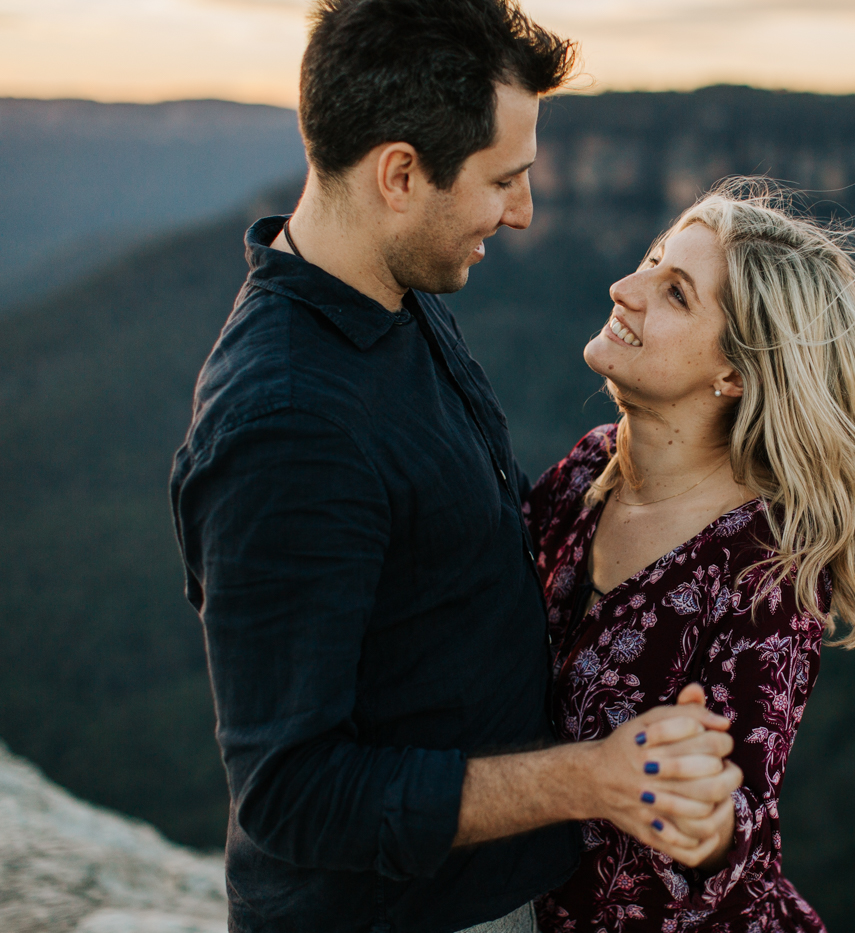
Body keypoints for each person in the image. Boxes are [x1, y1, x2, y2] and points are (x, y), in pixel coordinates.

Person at [169, 3, 740, 932]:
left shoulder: (391, 292)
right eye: (504, 179)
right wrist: (589, 778)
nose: (521, 213)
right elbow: (292, 794)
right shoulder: (287, 425)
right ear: (399, 174)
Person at [526, 181, 855, 931]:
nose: (623, 287)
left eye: (674, 292)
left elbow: (738, 809)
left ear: (733, 374)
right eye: (650, 259)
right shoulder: (586, 471)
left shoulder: (763, 572)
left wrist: (705, 819)